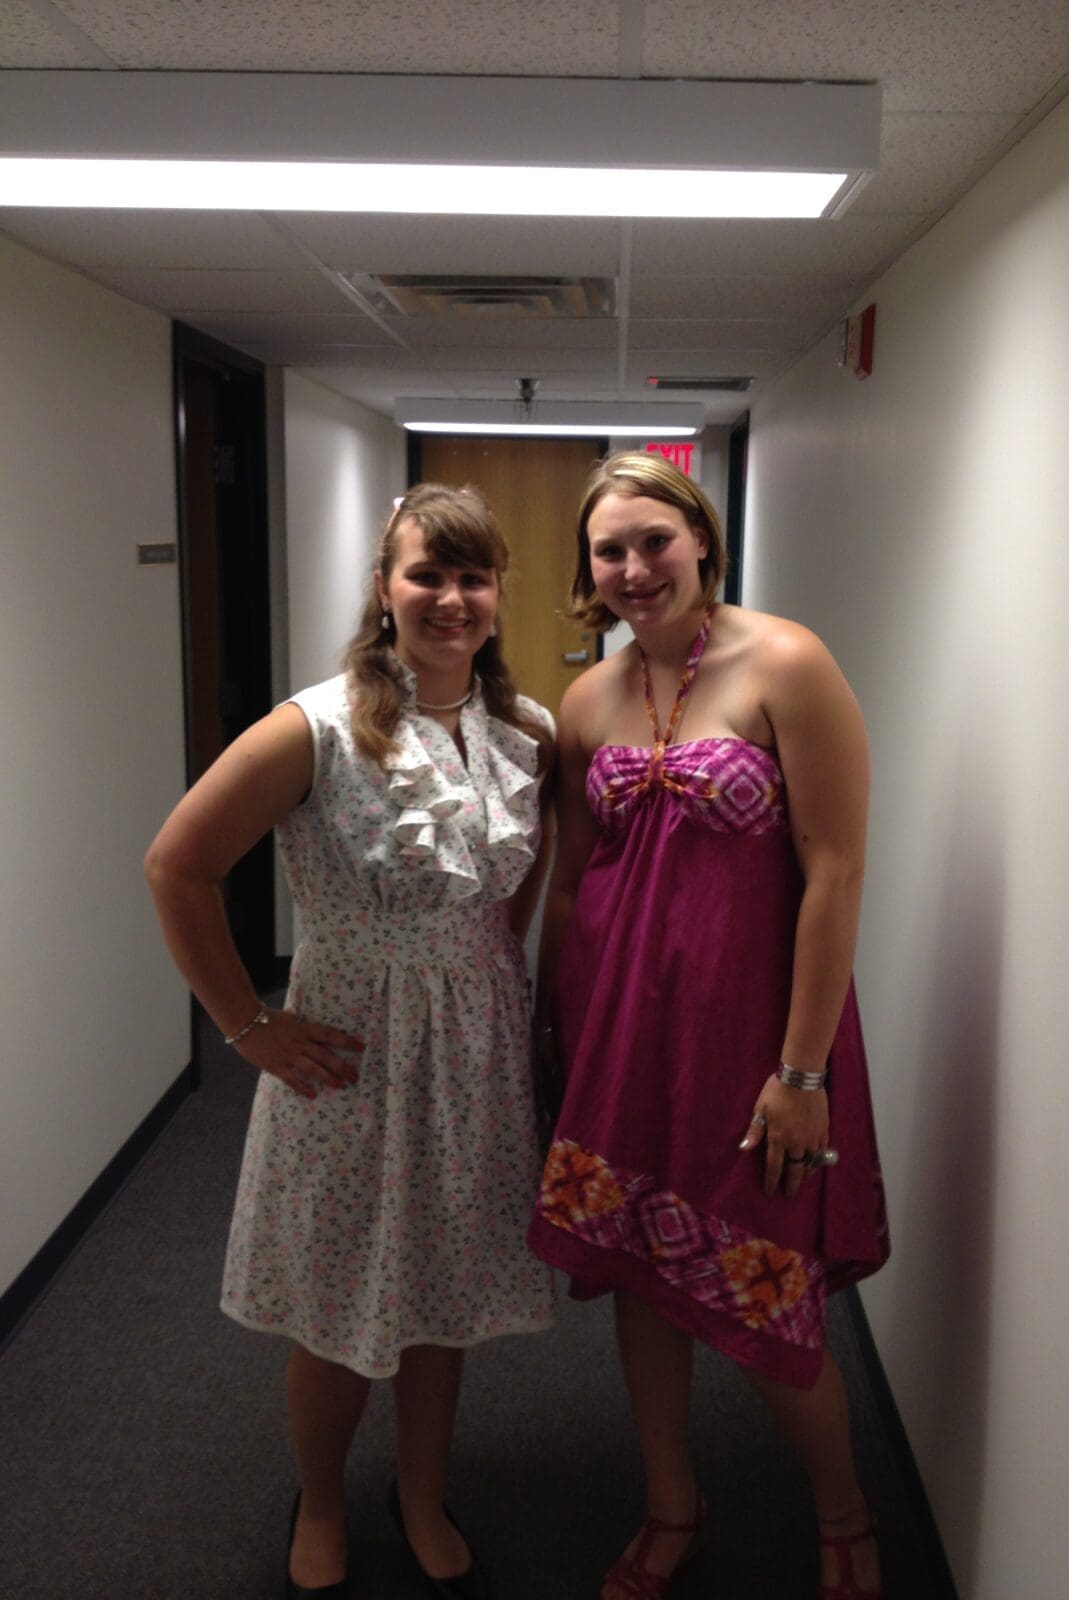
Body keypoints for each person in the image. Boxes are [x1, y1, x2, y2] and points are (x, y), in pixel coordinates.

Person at [146, 484, 555, 1600]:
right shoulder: (313, 727)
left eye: (474, 576)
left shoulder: (527, 734)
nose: (452, 597)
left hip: (472, 1056)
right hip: (348, 1051)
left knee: (444, 1289)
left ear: (497, 595)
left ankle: (419, 1495)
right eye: (428, 573)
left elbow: (499, 900)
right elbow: (176, 867)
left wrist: (483, 993)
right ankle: (320, 1498)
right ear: (384, 586)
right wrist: (248, 1023)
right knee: (337, 1302)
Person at [527, 452, 890, 1600]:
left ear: (702, 540)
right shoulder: (588, 700)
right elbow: (574, 881)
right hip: (622, 1032)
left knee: (767, 1280)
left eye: (653, 541)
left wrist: (803, 1068)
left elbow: (834, 872)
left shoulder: (787, 662)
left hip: (755, 1040)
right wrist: (556, 1031)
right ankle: (670, 1505)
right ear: (588, 571)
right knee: (641, 1273)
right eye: (609, 550)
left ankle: (844, 1520)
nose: (634, 568)